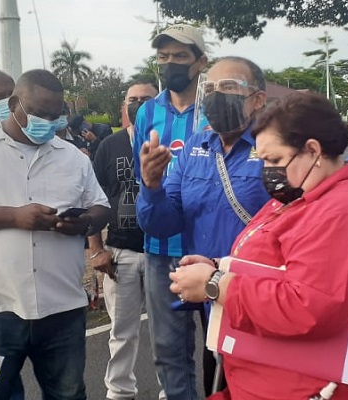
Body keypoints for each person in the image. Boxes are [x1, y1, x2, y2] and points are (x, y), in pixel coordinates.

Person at [169, 92, 348, 400]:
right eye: (263, 160)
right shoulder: (299, 198)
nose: (267, 171)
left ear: (313, 150)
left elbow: (307, 306)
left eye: (275, 160)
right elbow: (277, 265)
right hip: (268, 379)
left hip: (310, 387)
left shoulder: (346, 210)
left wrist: (215, 284)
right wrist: (219, 266)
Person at [0, 69, 111, 400]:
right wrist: (14, 216)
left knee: (68, 394)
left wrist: (83, 223)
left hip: (63, 308)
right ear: (14, 103)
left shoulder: (71, 156)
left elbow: (100, 206)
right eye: (39, 113)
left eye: (55, 117)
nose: (47, 122)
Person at [137, 56, 271, 394]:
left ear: (257, 99)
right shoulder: (197, 146)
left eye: (228, 87)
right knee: (218, 375)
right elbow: (163, 224)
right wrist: (151, 187)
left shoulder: (276, 149)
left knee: (263, 382)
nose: (215, 95)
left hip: (261, 296)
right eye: (209, 88)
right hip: (212, 296)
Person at [131, 24, 208, 400]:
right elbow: (142, 178)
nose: (170, 64)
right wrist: (152, 176)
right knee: (168, 350)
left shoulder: (216, 110)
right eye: (163, 58)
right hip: (162, 250)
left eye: (180, 57)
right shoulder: (147, 112)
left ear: (200, 63)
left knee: (222, 345)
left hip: (212, 247)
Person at [89, 78, 160, 400]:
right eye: (133, 99)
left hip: (164, 253)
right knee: (122, 331)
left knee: (168, 332)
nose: (139, 104)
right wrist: (96, 251)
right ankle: (119, 391)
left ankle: (170, 389)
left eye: (147, 99)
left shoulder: (173, 142)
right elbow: (92, 198)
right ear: (124, 108)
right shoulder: (110, 146)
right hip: (121, 253)